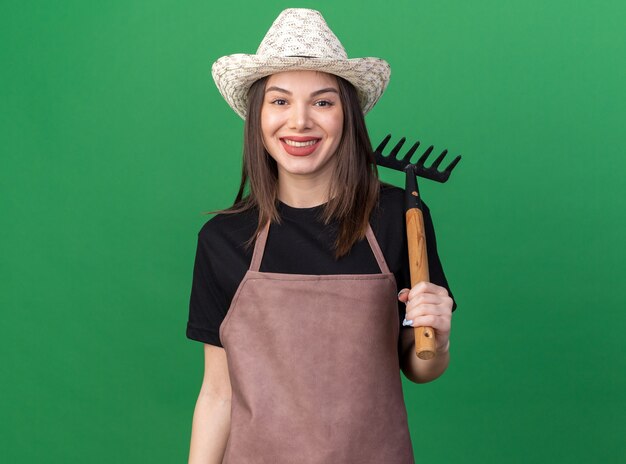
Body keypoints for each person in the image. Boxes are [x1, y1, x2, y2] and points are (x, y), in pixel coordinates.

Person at [186, 8, 456, 464]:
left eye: (323, 101)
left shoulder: (398, 218)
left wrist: (440, 340)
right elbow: (218, 394)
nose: (300, 122)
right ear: (258, 117)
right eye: (280, 101)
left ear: (346, 115)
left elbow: (419, 365)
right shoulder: (223, 240)